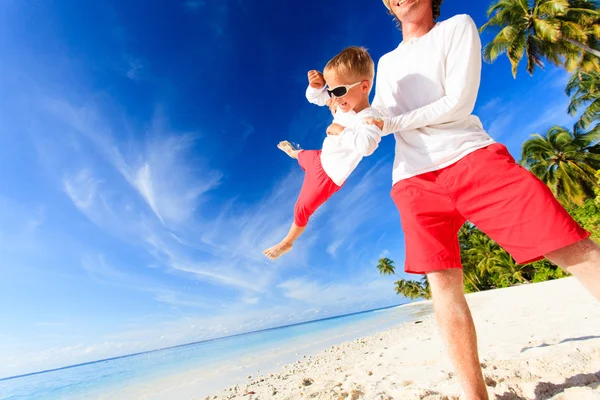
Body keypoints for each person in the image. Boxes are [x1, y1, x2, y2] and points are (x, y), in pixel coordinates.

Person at [354, 0, 600, 398]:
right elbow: (378, 113)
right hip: (413, 180)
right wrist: (350, 118)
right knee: (443, 285)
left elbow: (457, 103)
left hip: (472, 159)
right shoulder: (387, 60)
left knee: (570, 244)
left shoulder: (456, 28)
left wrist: (388, 123)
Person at [263, 46, 382, 260]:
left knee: (301, 207)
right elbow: (315, 98)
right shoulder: (342, 103)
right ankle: (293, 152)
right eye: (332, 91)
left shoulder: (368, 117)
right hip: (319, 157)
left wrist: (340, 130)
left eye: (338, 91)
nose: (334, 98)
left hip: (328, 176)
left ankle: (287, 242)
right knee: (300, 155)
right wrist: (316, 87)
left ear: (364, 87)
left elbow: (367, 145)